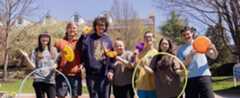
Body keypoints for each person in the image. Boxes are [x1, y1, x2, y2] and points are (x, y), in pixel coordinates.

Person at [177, 26, 218, 98]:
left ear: (192, 33)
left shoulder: (201, 42)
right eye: (184, 35)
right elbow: (182, 65)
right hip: (190, 79)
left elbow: (213, 56)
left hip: (204, 76)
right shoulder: (180, 49)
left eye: (188, 34)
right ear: (181, 37)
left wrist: (214, 49)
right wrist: (190, 55)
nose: (186, 36)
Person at [79, 16, 114, 98]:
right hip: (91, 74)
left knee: (104, 96)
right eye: (99, 25)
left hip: (104, 74)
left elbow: (112, 57)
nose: (101, 27)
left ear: (105, 27)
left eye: (103, 25)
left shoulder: (108, 39)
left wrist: (111, 70)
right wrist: (82, 36)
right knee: (94, 96)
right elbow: (81, 49)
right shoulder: (88, 38)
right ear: (95, 26)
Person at [55, 22, 83, 98]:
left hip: (75, 74)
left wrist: (82, 65)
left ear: (77, 30)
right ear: (66, 29)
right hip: (62, 74)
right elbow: (53, 56)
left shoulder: (80, 43)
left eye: (74, 28)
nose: (72, 29)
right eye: (70, 27)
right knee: (60, 96)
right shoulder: (59, 42)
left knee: (75, 96)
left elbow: (84, 57)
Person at [31, 32, 58, 98]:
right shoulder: (36, 50)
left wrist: (55, 66)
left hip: (50, 80)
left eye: (46, 37)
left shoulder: (53, 50)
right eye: (43, 37)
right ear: (40, 39)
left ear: (49, 39)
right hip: (38, 79)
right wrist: (26, 57)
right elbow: (33, 66)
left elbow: (56, 63)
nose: (45, 38)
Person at [135, 31, 158, 98]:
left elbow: (156, 71)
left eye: (150, 37)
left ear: (154, 39)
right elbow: (136, 68)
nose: (148, 38)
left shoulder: (157, 53)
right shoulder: (139, 53)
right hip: (141, 86)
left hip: (153, 87)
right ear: (144, 39)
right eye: (146, 37)